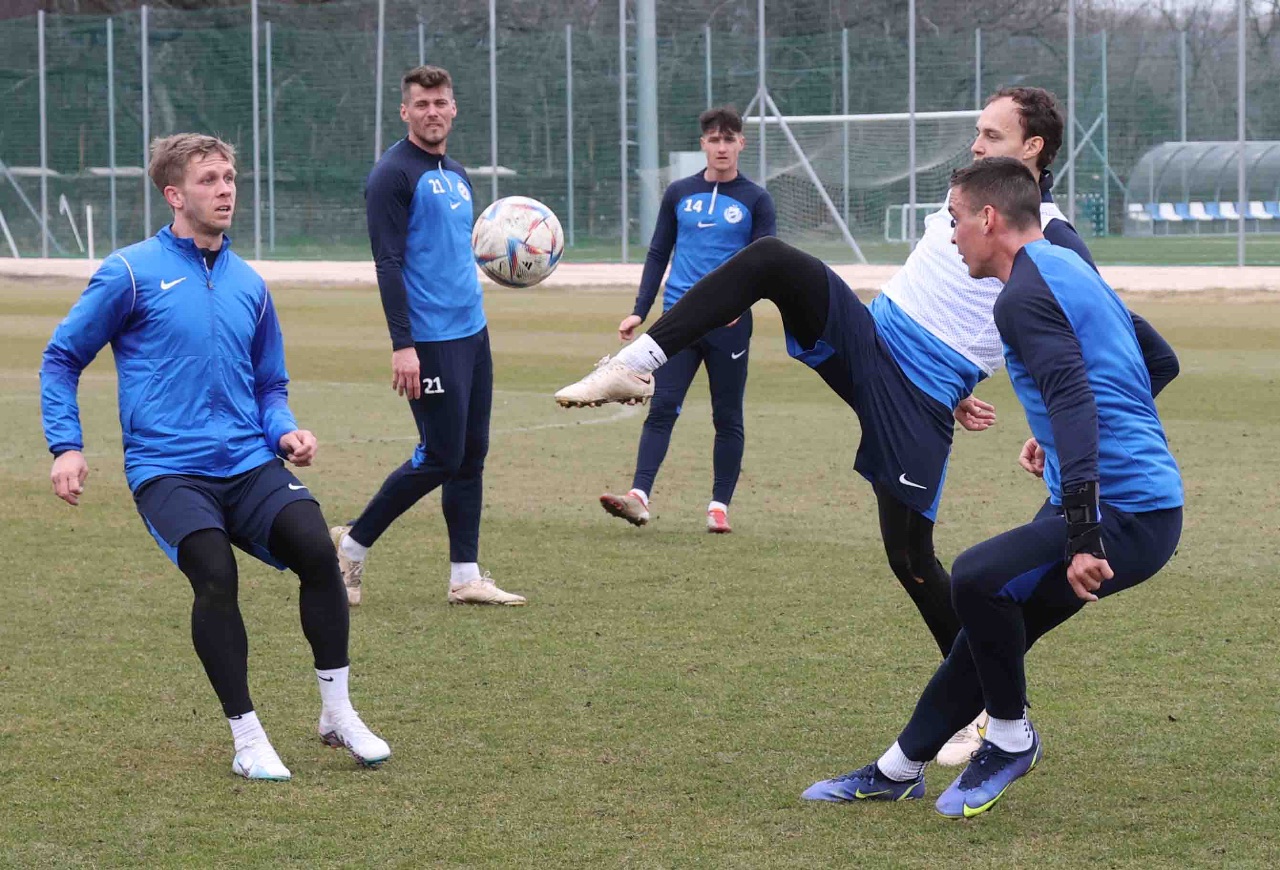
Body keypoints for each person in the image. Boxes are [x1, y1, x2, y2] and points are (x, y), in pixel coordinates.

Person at [556, 87, 1165, 762]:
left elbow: (1122, 347)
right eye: (977, 131)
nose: (974, 143)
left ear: (1034, 148)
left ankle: (983, 709)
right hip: (870, 340)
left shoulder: (1054, 238)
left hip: (918, 398)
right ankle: (637, 364)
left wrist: (1045, 426)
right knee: (771, 260)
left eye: (991, 135)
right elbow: (942, 298)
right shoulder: (968, 199)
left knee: (911, 559)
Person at [800, 156, 1183, 818]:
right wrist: (1062, 442)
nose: (950, 237)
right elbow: (1158, 360)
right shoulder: (1066, 268)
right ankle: (897, 770)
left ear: (988, 218)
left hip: (1128, 514)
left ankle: (1009, 738)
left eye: (954, 220)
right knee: (988, 633)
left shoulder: (1022, 297)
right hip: (1120, 502)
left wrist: (1085, 531)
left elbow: (1074, 399)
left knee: (976, 578)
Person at [40, 133, 389, 782]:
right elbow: (62, 358)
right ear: (174, 195)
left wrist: (285, 432)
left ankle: (337, 713)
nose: (226, 189)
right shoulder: (129, 273)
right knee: (215, 575)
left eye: (229, 177)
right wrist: (67, 446)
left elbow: (269, 384)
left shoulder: (249, 283)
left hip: (249, 462)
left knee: (319, 553)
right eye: (209, 180)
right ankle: (247, 737)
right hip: (168, 469)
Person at [330, 65, 525, 608]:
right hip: (430, 340)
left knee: (471, 454)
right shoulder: (392, 175)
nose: (432, 112)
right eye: (422, 104)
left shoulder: (456, 173)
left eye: (440, 102)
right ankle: (352, 544)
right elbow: (388, 264)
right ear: (405, 112)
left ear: (454, 108)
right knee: (440, 455)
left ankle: (465, 577)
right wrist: (403, 345)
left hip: (473, 333)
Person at [598, 107, 776, 534]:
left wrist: (739, 305)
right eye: (714, 140)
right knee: (662, 406)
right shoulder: (679, 193)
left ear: (741, 144)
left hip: (729, 324)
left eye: (729, 139)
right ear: (703, 145)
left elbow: (766, 263)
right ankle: (639, 497)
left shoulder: (757, 199)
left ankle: (719, 507)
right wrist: (640, 309)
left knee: (727, 416)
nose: (721, 147)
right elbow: (659, 252)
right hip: (678, 320)